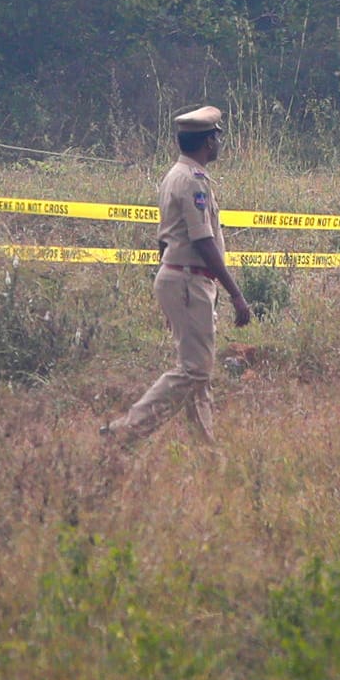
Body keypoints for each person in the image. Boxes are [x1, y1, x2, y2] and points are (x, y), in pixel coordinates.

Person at [103, 106, 253, 445]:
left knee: (198, 372)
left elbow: (163, 238)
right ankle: (124, 431)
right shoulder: (192, 182)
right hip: (188, 280)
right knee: (195, 370)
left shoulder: (175, 175)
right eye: (217, 137)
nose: (219, 143)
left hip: (180, 279)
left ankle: (206, 450)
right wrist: (235, 293)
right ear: (207, 143)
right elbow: (203, 240)